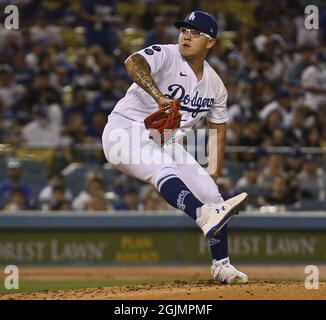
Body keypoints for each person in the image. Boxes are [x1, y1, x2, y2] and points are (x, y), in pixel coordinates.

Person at [102, 11, 248, 284]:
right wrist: (159, 96)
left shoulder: (215, 86)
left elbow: (218, 128)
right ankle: (201, 216)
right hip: (124, 131)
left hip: (163, 140)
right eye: (184, 30)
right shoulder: (167, 55)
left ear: (211, 42)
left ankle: (222, 265)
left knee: (212, 196)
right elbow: (132, 62)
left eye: (195, 32)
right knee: (164, 169)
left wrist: (213, 172)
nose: (186, 35)